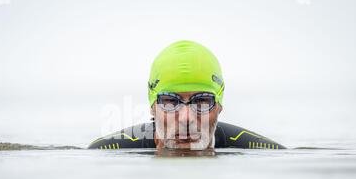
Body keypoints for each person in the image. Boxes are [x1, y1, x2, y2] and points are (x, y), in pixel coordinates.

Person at [88, 40, 285, 151]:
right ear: (152, 107)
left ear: (219, 106)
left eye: (202, 101)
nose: (186, 119)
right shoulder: (106, 150)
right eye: (170, 102)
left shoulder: (266, 151)